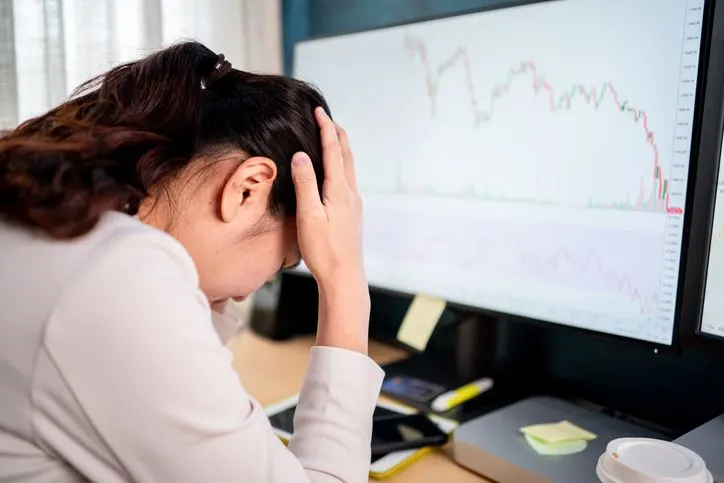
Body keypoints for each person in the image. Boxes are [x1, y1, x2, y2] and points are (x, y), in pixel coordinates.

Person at [0, 41, 382, 483]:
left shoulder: (63, 229)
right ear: (247, 188)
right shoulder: (119, 283)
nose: (246, 293)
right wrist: (345, 280)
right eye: (281, 262)